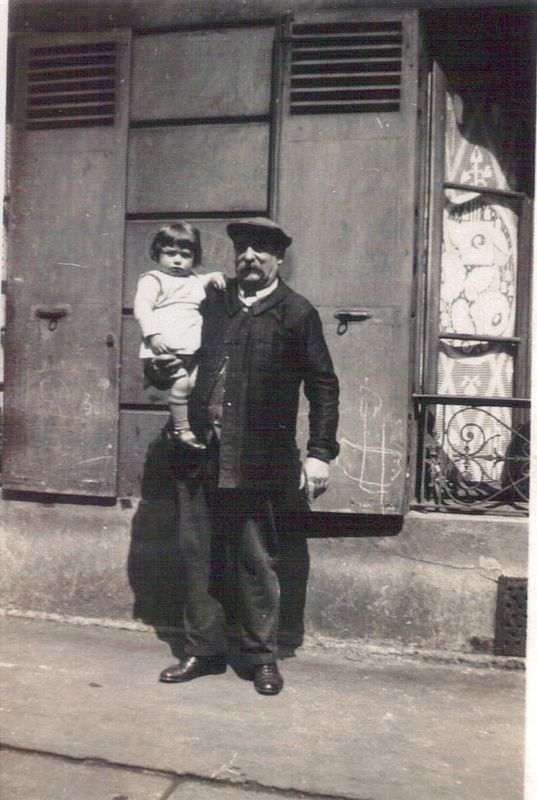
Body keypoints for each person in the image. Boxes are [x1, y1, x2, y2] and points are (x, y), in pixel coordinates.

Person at [155, 217, 339, 695]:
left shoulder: (296, 312)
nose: (250, 257)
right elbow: (169, 335)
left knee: (257, 558)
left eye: (261, 249)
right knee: (198, 554)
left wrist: (320, 453)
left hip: (262, 458)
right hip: (200, 452)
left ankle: (261, 658)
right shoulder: (211, 302)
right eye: (242, 249)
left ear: (279, 259)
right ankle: (203, 649)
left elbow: (323, 386)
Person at [134, 222, 226, 449]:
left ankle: (184, 426)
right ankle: (181, 430)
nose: (177, 260)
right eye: (170, 253)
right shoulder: (153, 279)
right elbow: (142, 307)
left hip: (189, 348)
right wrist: (153, 335)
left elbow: (202, 281)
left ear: (195, 258)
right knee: (182, 384)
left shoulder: (193, 279)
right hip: (165, 347)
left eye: (185, 255)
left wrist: (214, 275)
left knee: (193, 384)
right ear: (157, 253)